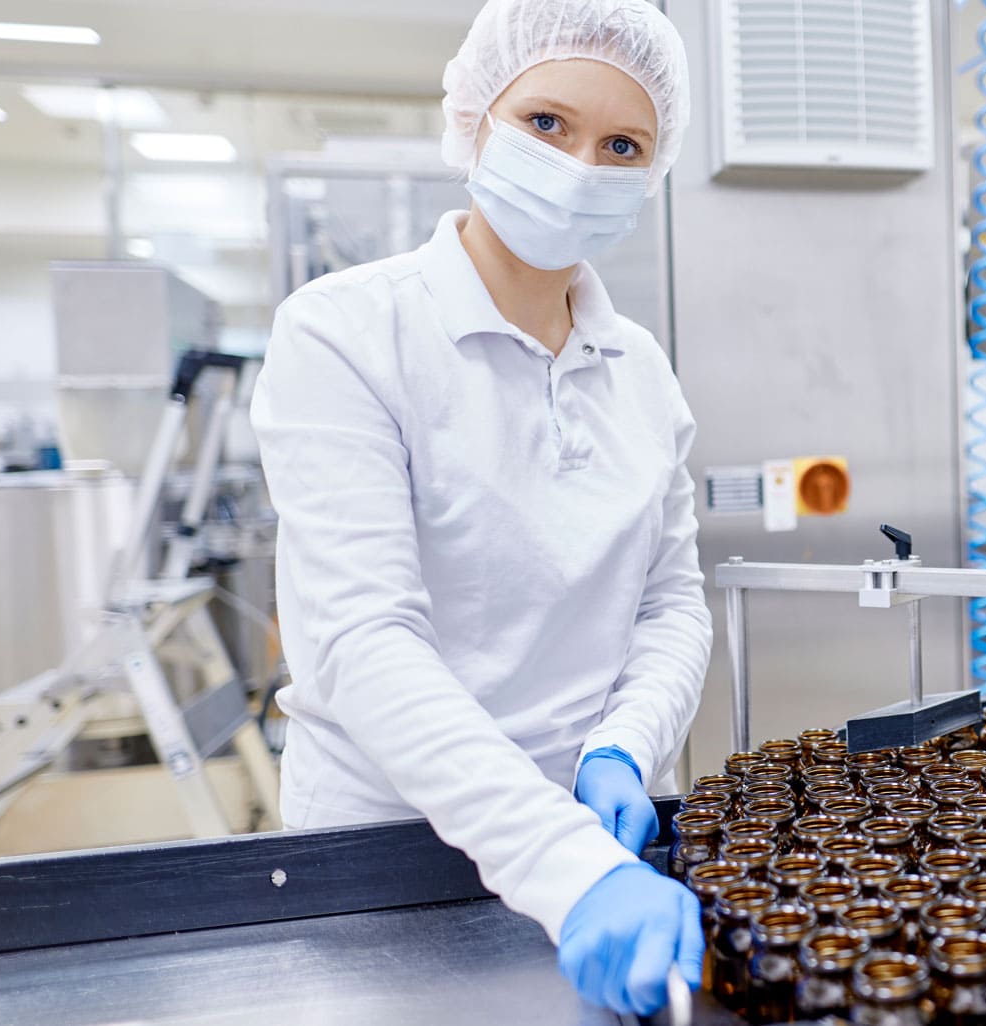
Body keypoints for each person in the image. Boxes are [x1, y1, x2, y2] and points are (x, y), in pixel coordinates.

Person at [249, 0, 709, 1015]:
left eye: (622, 145)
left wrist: (623, 746)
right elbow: (365, 641)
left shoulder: (639, 368)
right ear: (474, 120)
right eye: (547, 123)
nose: (581, 167)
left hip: (595, 840)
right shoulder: (344, 333)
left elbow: (672, 603)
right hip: (386, 854)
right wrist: (567, 870)